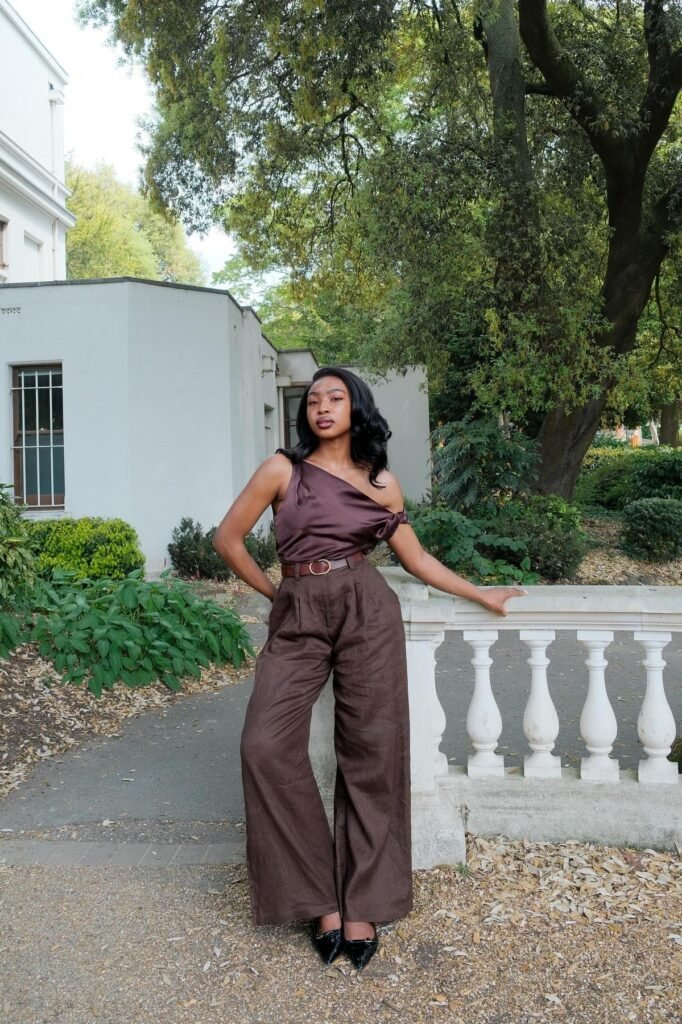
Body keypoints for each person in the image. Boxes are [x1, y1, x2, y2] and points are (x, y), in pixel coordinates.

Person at [213, 367, 524, 971]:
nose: (322, 407)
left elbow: (417, 558)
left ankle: (362, 902)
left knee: (372, 753)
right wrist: (278, 596)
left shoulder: (382, 484)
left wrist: (480, 593)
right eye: (312, 400)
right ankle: (316, 895)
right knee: (263, 746)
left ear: (356, 408)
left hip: (366, 608)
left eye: (335, 398)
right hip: (299, 610)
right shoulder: (283, 470)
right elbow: (229, 539)